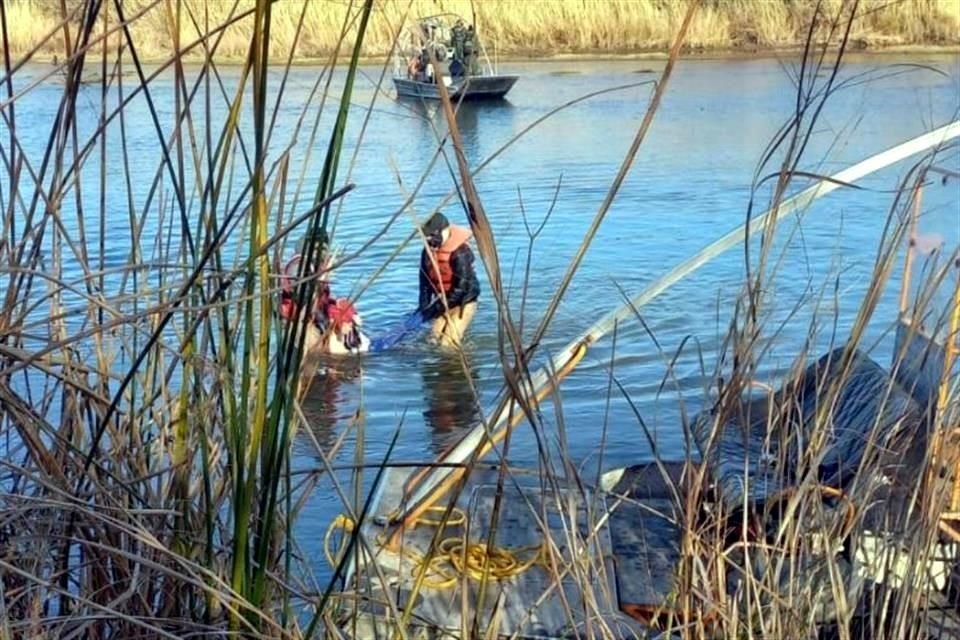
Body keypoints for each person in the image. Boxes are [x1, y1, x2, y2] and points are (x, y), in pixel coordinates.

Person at [418, 212, 480, 348]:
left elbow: (463, 287)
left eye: (432, 236)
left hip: (464, 301)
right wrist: (423, 308)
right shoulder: (428, 252)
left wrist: (436, 308)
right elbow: (424, 282)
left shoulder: (460, 252)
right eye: (426, 238)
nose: (430, 241)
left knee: (449, 343)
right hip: (444, 299)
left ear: (444, 231)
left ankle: (460, 365)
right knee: (433, 338)